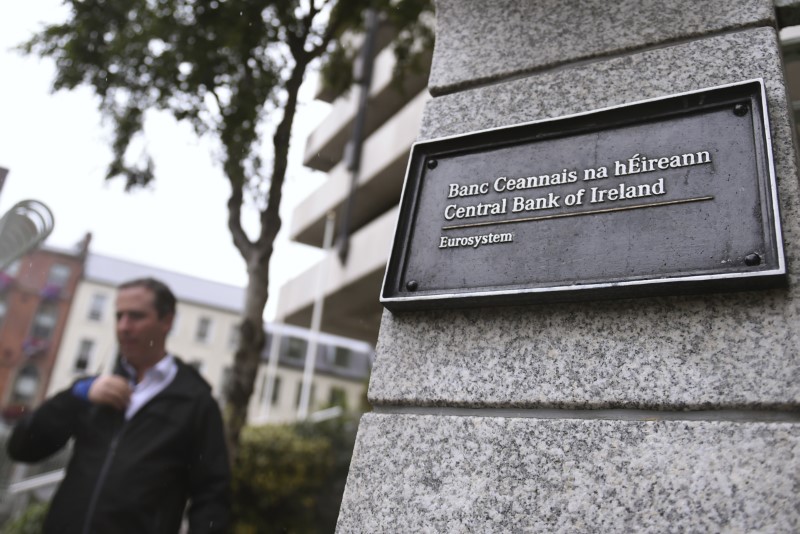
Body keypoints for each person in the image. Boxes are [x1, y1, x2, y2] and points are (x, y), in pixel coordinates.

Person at [7, 277, 231, 533]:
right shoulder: (91, 390)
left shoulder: (196, 402)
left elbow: (212, 497)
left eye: (136, 316)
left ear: (167, 321)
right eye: (119, 316)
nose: (123, 327)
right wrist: (76, 396)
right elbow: (22, 448)